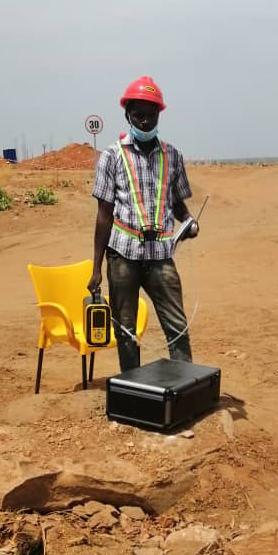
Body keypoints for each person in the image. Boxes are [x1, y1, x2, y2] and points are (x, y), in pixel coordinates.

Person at [87, 76, 199, 372]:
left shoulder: (172, 156)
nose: (146, 121)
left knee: (177, 325)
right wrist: (96, 268)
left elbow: (176, 202)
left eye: (151, 115)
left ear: (159, 115)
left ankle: (184, 385)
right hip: (123, 256)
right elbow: (104, 215)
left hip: (161, 256)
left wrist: (188, 221)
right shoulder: (112, 156)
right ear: (128, 116)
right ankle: (132, 389)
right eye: (139, 115)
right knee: (125, 329)